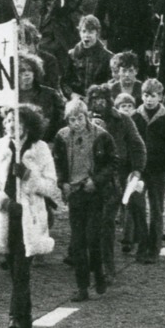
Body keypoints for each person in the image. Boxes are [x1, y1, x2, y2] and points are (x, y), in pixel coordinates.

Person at [0, 104, 60, 328]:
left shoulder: (40, 149)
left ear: (28, 124)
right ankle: (24, 315)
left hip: (30, 219)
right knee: (14, 268)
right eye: (7, 122)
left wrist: (28, 176)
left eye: (16, 121)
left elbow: (50, 186)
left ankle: (14, 318)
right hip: (6, 217)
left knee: (22, 268)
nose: (11, 125)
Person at [53, 98, 117, 298]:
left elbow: (112, 164)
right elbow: (58, 163)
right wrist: (62, 182)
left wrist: (96, 181)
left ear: (87, 116)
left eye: (80, 118)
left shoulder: (102, 136)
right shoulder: (62, 137)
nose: (76, 123)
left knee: (93, 237)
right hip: (74, 192)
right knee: (78, 240)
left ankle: (98, 274)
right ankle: (82, 286)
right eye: (72, 119)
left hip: (95, 192)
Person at [132, 79, 165, 261]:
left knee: (156, 209)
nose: (149, 99)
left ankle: (154, 248)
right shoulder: (135, 118)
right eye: (146, 95)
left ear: (160, 97)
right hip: (139, 170)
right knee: (138, 207)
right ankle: (142, 245)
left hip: (158, 171)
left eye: (153, 96)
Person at [64, 14, 115, 99]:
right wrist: (71, 95)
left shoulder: (108, 57)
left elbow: (112, 82)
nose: (86, 35)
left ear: (97, 34)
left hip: (99, 99)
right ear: (79, 33)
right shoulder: (72, 55)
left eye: (90, 32)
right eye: (84, 31)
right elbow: (64, 82)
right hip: (76, 99)